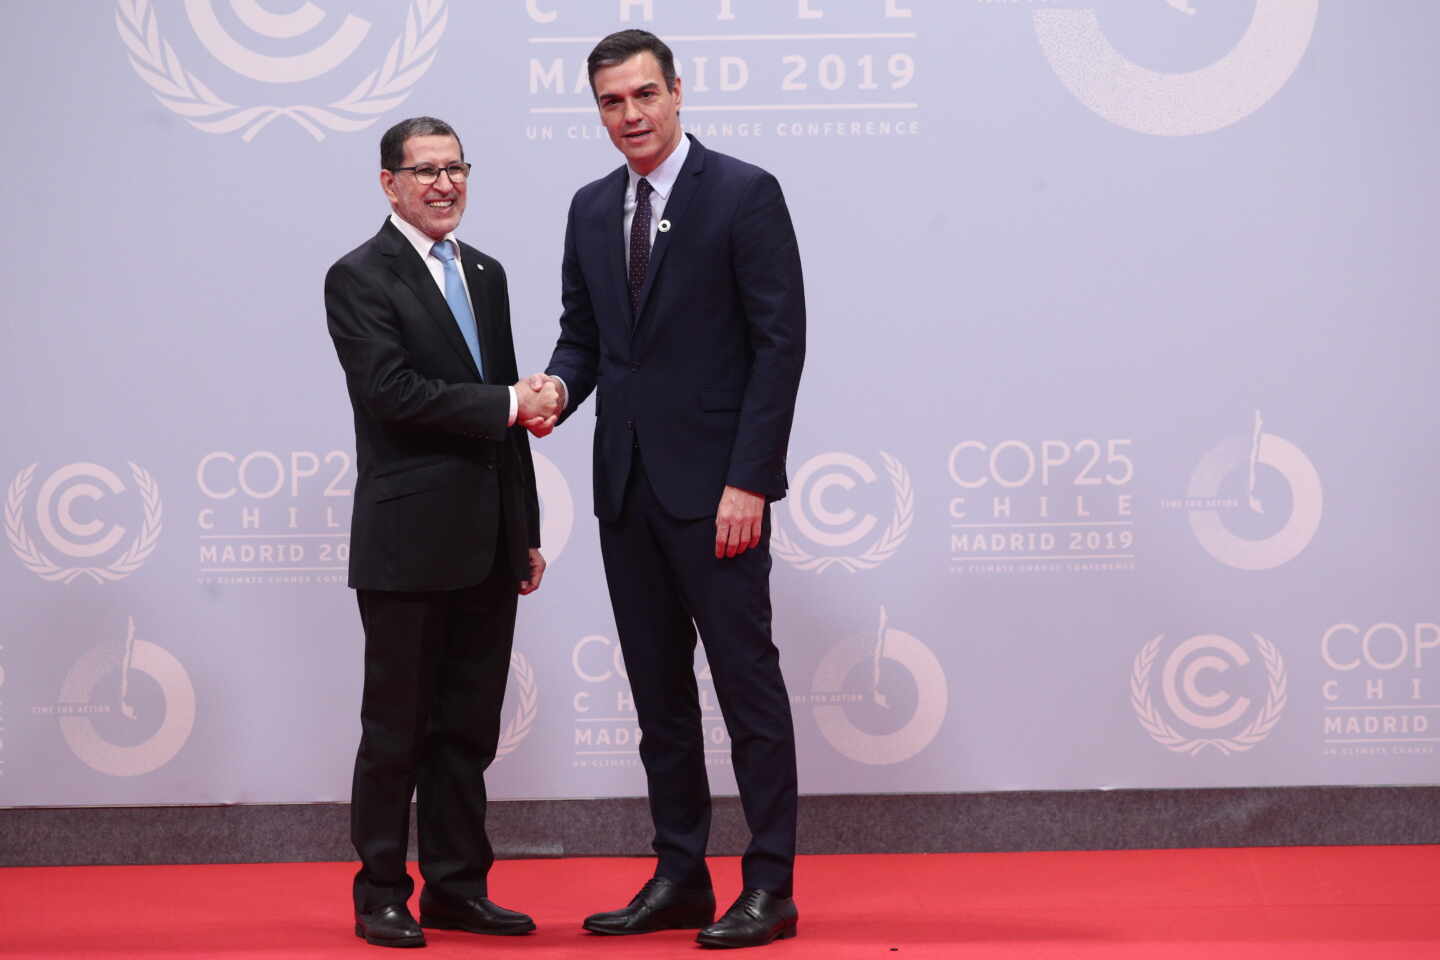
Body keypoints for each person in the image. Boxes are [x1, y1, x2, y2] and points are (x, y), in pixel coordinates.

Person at [526, 29, 806, 949]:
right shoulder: (588, 206)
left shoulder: (744, 193)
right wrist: (557, 391)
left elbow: (779, 348)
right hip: (627, 493)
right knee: (658, 699)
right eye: (611, 102)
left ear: (679, 93)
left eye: (645, 95)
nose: (630, 116)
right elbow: (586, 338)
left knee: (748, 692)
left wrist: (750, 482)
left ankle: (769, 887)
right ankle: (680, 875)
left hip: (721, 496)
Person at [324, 116, 560, 949]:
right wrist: (508, 403)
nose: (442, 185)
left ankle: (458, 887)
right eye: (423, 171)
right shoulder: (358, 276)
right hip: (407, 545)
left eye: (455, 168)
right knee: (397, 732)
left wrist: (523, 528)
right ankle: (381, 891)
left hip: (489, 542)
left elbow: (507, 414)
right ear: (388, 183)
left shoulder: (485, 272)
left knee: (468, 730)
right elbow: (390, 391)